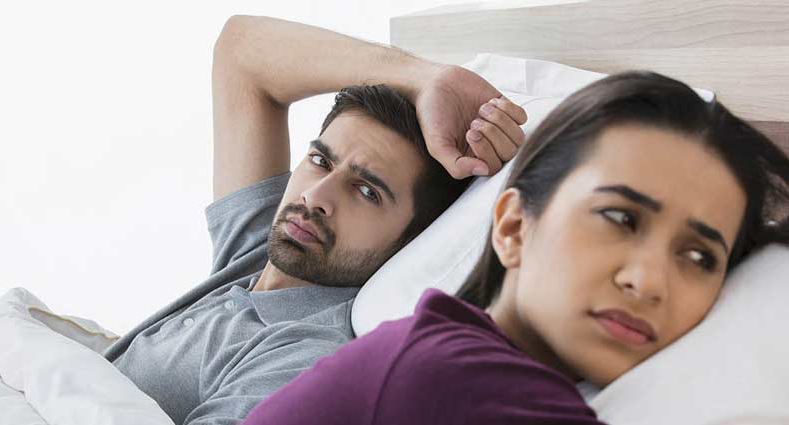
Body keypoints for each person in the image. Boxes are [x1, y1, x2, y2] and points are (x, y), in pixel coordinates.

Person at [241, 71, 789, 424]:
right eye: (621, 218)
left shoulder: (436, 346)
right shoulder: (467, 382)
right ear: (511, 227)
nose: (647, 280)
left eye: (698, 256)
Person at [101, 15, 527, 424]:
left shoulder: (299, 358)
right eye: (321, 161)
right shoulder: (256, 254)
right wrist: (426, 78)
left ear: (413, 238)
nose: (315, 196)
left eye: (366, 191)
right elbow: (241, 52)